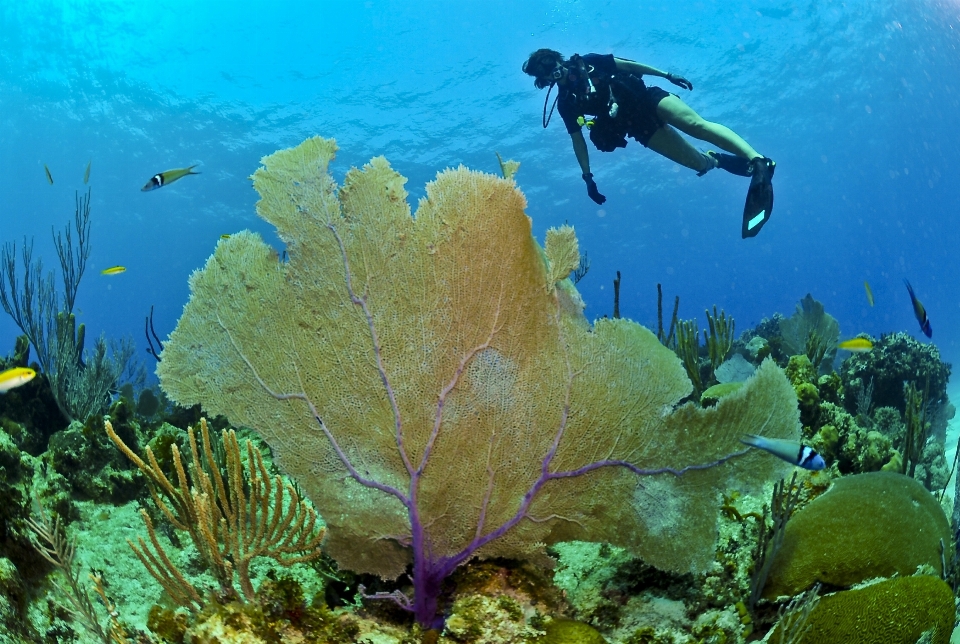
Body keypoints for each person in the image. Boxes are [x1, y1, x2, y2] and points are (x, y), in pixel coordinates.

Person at [522, 49, 776, 238]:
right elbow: (578, 141)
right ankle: (716, 159)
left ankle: (757, 160)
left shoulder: (589, 61)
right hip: (637, 127)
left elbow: (628, 65)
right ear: (544, 80)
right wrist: (587, 177)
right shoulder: (566, 103)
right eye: (544, 71)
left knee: (696, 125)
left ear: (557, 58)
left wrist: (667, 75)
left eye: (550, 62)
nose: (552, 69)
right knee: (697, 163)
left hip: (648, 98)